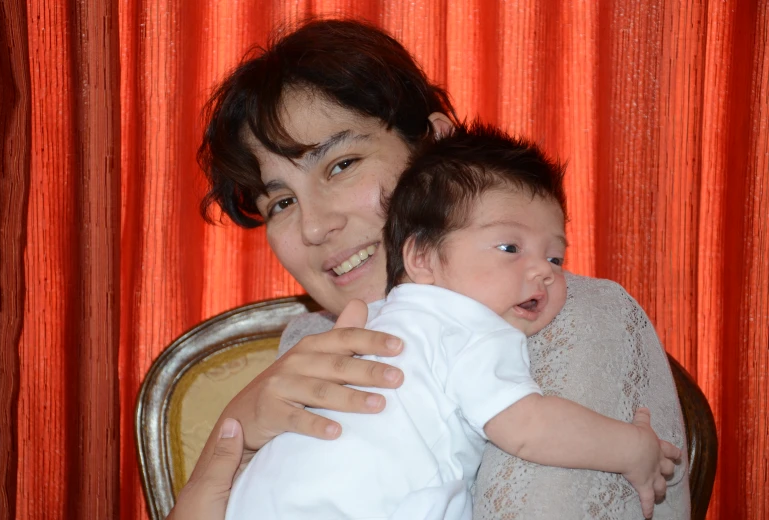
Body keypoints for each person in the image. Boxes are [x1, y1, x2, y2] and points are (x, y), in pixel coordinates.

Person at [176, 18, 690, 519]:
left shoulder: (570, 318)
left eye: (341, 164)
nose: (314, 227)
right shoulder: (306, 346)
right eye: (281, 203)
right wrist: (228, 446)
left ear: (433, 147)